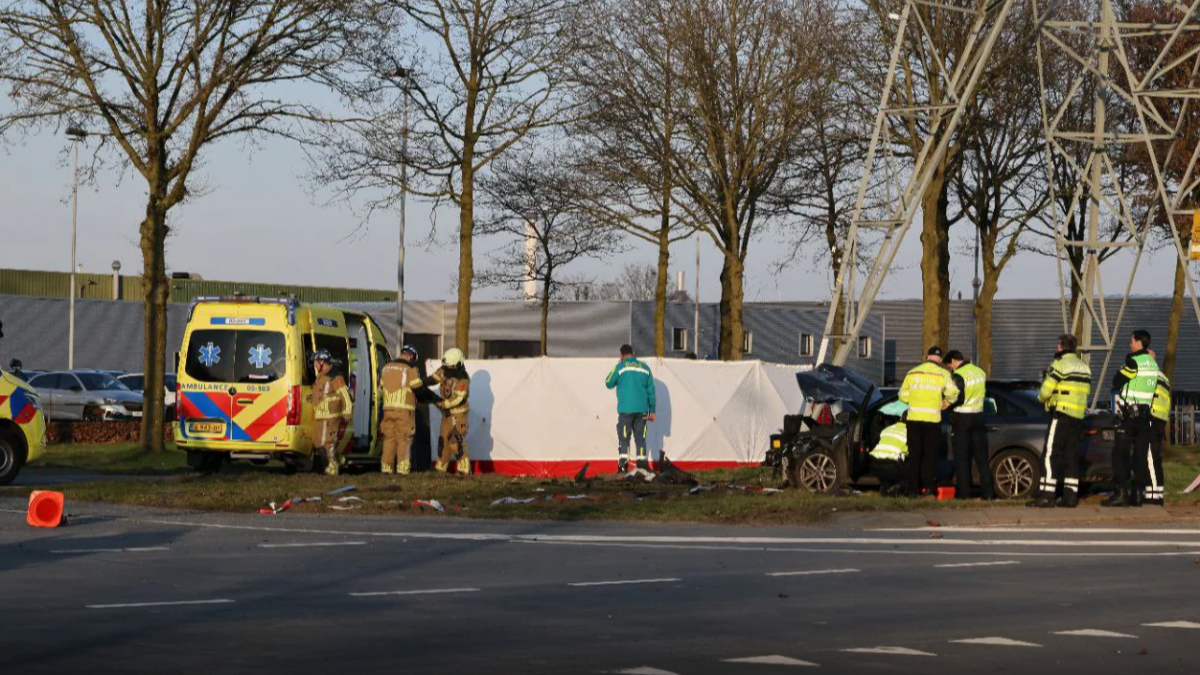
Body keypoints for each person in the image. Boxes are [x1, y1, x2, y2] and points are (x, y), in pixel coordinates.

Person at [1032, 333, 1091, 508]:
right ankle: (1070, 497)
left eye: (1058, 345)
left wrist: (1041, 399)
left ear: (1061, 346)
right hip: (1078, 416)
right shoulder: (1084, 367)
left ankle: (1047, 495)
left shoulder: (1059, 364)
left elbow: (1046, 391)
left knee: (1051, 453)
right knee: (1071, 456)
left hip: (1061, 413)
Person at [1103, 330, 1161, 507]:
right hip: (1145, 416)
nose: (1130, 344)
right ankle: (1137, 495)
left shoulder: (1133, 362)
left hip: (1130, 415)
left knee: (1119, 454)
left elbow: (1116, 381)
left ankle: (1121, 494)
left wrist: (1124, 367)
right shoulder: (1152, 364)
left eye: (1131, 341)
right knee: (1140, 456)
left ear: (1138, 343)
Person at [898, 346, 959, 497]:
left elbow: (902, 395)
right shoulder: (943, 374)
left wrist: (913, 401)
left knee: (914, 456)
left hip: (914, 421)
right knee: (930, 456)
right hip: (932, 421)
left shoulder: (912, 373)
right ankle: (929, 489)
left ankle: (913, 490)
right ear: (938, 359)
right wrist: (945, 404)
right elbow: (954, 393)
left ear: (927, 357)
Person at [945, 350, 995, 500]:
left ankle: (964, 494)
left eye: (950, 365)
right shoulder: (979, 371)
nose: (950, 368)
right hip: (979, 417)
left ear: (954, 361)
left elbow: (958, 398)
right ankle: (988, 494)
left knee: (962, 459)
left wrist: (946, 404)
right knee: (981, 459)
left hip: (962, 419)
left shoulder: (958, 375)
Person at [605, 344, 656, 473]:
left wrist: (617, 365)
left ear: (621, 355)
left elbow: (608, 382)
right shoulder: (645, 368)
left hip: (626, 410)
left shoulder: (620, 367)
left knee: (624, 437)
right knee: (640, 438)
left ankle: (623, 466)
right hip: (642, 410)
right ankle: (642, 465)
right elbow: (651, 391)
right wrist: (652, 411)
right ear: (633, 353)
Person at [424, 347, 471, 475]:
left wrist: (444, 404)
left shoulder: (463, 379)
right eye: (446, 366)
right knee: (443, 441)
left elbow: (459, 399)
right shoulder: (444, 370)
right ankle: (441, 467)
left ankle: (464, 468)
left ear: (458, 365)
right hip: (446, 415)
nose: (447, 369)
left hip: (458, 414)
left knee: (455, 441)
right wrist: (422, 382)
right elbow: (434, 378)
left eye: (450, 366)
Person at [379, 345, 421, 475]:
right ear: (411, 356)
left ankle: (386, 468)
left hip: (388, 410)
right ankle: (403, 469)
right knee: (404, 438)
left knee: (389, 438)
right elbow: (416, 386)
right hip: (404, 411)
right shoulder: (411, 368)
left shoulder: (386, 367)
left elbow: (381, 386)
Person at [311, 349, 353, 476]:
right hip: (320, 416)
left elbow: (345, 395)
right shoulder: (321, 376)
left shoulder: (335, 376)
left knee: (327, 442)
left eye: (315, 361)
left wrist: (347, 410)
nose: (314, 364)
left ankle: (332, 467)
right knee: (318, 443)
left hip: (331, 416)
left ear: (322, 362)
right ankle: (340, 459)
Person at [1146, 355, 1170, 506]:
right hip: (1160, 419)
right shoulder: (1163, 377)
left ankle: (1154, 497)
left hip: (1151, 418)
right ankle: (1154, 493)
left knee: (1150, 458)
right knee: (1155, 458)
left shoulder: (1150, 375)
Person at [870, 406, 910, 497]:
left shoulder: (888, 428)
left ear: (900, 418)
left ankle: (885, 488)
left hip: (875, 464)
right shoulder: (910, 432)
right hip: (891, 466)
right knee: (913, 467)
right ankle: (897, 489)